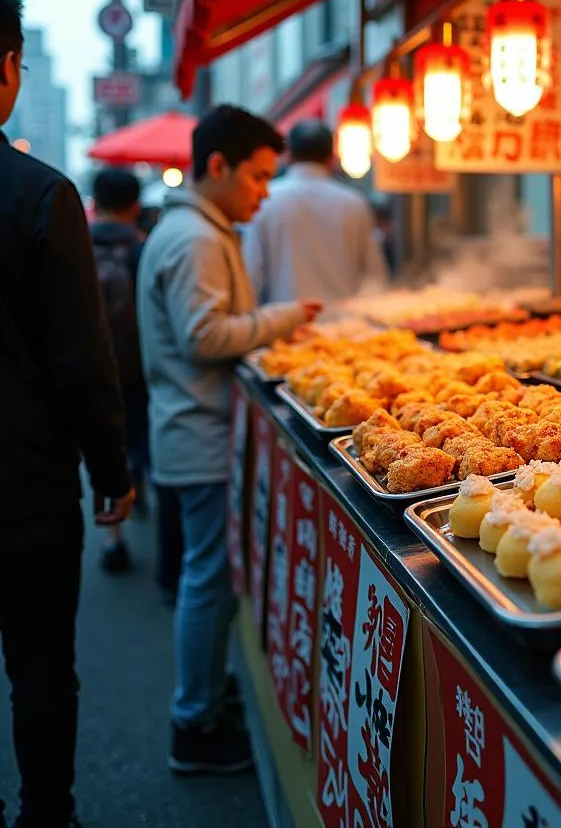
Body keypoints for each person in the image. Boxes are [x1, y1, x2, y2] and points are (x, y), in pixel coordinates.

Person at [137, 104, 322, 775]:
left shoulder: (200, 228)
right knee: (207, 577)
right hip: (198, 432)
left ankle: (206, 699)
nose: (266, 191)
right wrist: (282, 317)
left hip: (196, 427)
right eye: (259, 177)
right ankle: (195, 724)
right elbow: (204, 336)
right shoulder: (196, 239)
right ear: (218, 167)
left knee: (208, 573)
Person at [0, 0, 134, 827]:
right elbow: (82, 358)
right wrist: (112, 470)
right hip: (25, 492)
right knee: (42, 667)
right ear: (7, 69)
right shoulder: (40, 195)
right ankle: (47, 816)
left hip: (28, 488)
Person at [243, 119, 388, 304]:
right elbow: (375, 277)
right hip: (347, 327)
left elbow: (252, 276)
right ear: (331, 158)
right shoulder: (355, 203)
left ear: (289, 155)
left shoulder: (265, 199)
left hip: (282, 326)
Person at [90, 168, 149, 574]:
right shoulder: (145, 248)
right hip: (138, 369)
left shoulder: (74, 243)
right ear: (135, 205)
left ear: (95, 202)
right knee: (137, 441)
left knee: (105, 444)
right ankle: (139, 491)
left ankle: (114, 538)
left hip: (92, 369)